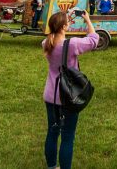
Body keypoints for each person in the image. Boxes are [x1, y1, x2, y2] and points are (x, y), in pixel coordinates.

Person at [41, 9, 98, 169]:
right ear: (64, 26)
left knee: (52, 132)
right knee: (67, 136)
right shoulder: (72, 44)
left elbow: (49, 39)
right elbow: (94, 39)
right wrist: (87, 20)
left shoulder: (47, 43)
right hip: (68, 96)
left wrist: (65, 20)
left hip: (50, 95)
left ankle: (51, 166)